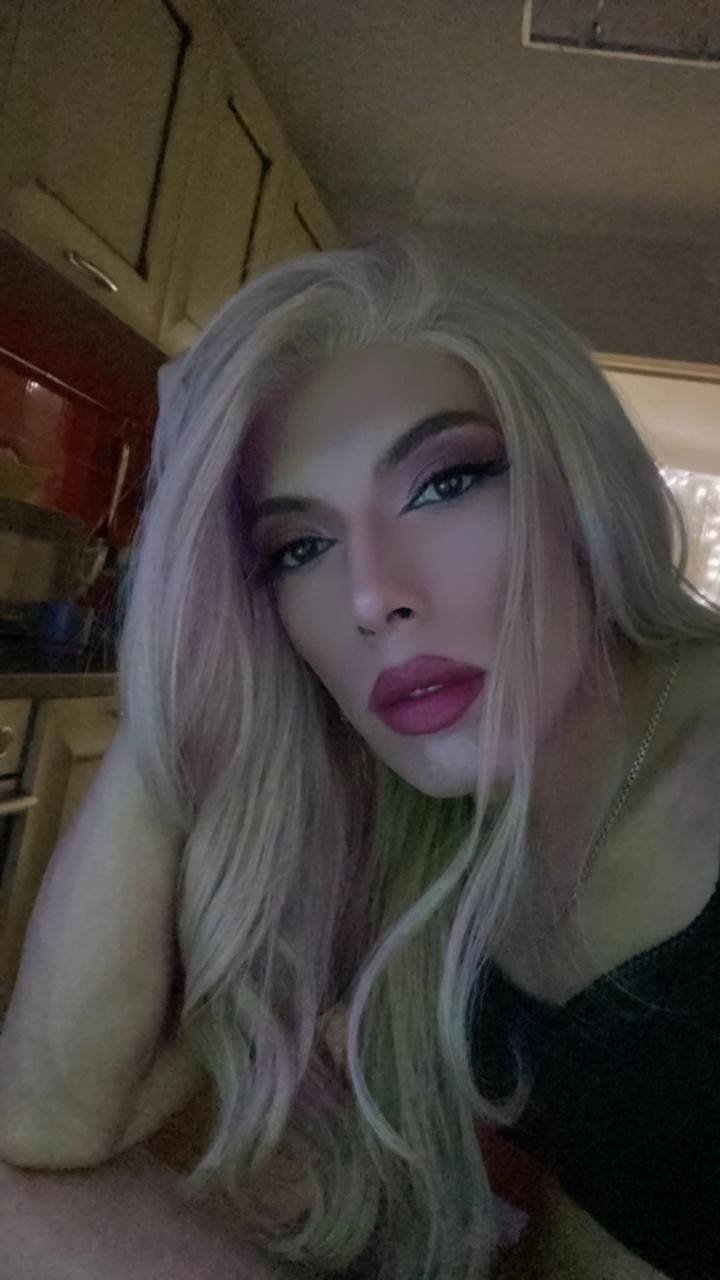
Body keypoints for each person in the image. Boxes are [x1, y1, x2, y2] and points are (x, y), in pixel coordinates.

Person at [0, 231, 718, 1280]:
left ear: (582, 486)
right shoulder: (394, 817)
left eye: (445, 483)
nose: (372, 595)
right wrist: (174, 685)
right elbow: (51, 1120)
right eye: (299, 546)